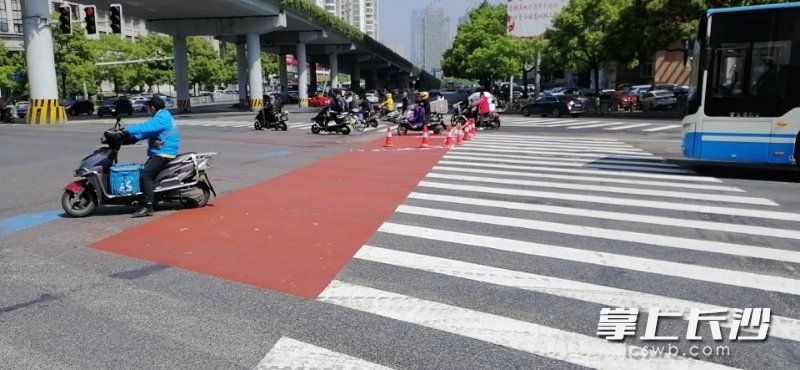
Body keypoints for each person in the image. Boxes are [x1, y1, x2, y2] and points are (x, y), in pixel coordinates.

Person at [120, 97, 180, 218]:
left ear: (152, 107)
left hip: (163, 153)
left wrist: (126, 131)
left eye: (148, 107)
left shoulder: (162, 118)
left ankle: (148, 206)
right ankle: (153, 198)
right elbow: (148, 131)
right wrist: (132, 138)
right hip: (161, 152)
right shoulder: (161, 116)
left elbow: (146, 127)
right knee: (146, 173)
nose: (148, 109)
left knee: (145, 175)